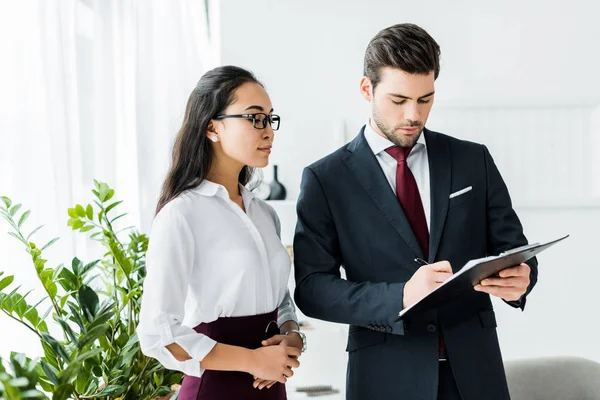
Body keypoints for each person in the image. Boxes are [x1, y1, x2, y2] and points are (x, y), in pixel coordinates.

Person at [293, 23, 537, 400]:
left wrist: (521, 280)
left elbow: (513, 249)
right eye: (398, 100)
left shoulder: (474, 160)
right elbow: (312, 290)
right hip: (384, 377)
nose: (413, 114)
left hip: (475, 373)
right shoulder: (326, 179)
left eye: (425, 99)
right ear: (366, 89)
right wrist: (402, 295)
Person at [137, 65, 305, 400]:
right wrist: (252, 360)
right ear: (212, 128)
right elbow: (157, 332)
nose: (268, 131)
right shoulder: (181, 215)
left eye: (271, 119)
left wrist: (292, 334)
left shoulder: (264, 213)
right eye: (255, 118)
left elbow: (280, 297)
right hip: (216, 388)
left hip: (271, 387)